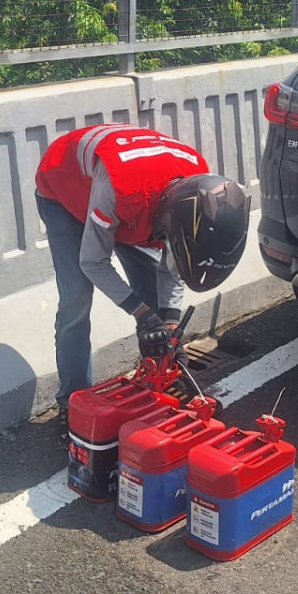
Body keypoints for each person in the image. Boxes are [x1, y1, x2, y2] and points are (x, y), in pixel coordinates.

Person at [34, 125, 249, 416]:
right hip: (65, 191)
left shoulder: (199, 191)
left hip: (129, 196)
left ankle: (161, 376)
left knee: (154, 299)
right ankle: (72, 403)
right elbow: (93, 263)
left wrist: (169, 325)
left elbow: (174, 261)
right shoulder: (122, 190)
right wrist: (142, 314)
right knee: (77, 299)